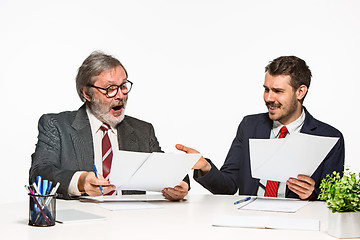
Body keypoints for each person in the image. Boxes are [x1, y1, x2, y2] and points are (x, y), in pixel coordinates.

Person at [177, 56, 344, 200]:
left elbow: (335, 200)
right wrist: (205, 167)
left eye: (278, 91)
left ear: (300, 92)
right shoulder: (249, 126)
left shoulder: (329, 137)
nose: (269, 98)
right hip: (249, 217)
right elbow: (228, 188)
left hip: (298, 223)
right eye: (266, 89)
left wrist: (312, 194)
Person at [29, 51, 189, 201]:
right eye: (110, 89)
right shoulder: (56, 125)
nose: (120, 96)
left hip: (130, 222)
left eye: (123, 86)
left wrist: (181, 185)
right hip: (80, 224)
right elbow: (39, 173)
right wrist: (81, 181)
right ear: (86, 93)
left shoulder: (143, 130)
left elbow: (167, 169)